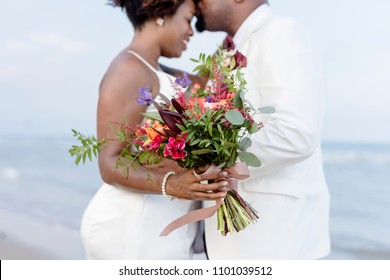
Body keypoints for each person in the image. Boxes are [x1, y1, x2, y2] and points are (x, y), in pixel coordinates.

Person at [80, 0, 228, 260]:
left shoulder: (157, 70)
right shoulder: (128, 69)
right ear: (162, 14)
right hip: (132, 229)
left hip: (159, 227)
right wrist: (172, 184)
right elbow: (109, 162)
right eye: (189, 19)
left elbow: (211, 79)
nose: (192, 31)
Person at [194, 0, 331, 259]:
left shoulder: (282, 32)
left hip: (276, 239)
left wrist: (214, 157)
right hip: (231, 243)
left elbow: (297, 132)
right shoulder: (221, 55)